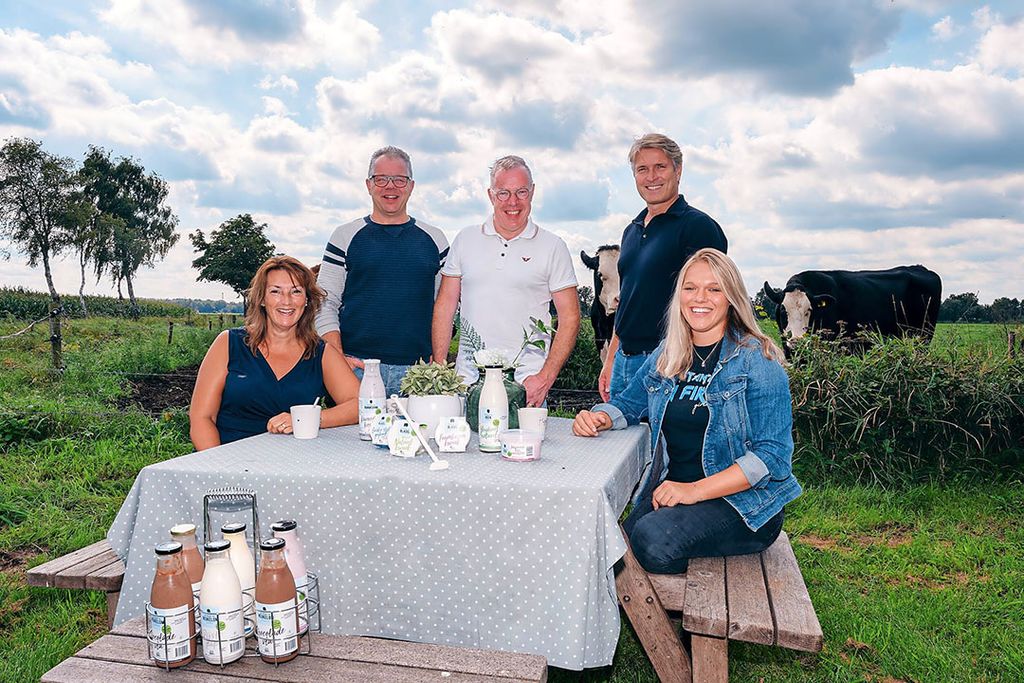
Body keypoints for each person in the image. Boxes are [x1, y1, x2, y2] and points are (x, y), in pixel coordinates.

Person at [573, 249, 801, 574]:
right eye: (690, 287)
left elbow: (773, 457)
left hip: (743, 504)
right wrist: (600, 416)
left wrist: (694, 491)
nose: (700, 298)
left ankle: (711, 587)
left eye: (714, 288)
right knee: (610, 541)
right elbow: (628, 402)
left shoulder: (757, 361)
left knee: (650, 540)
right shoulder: (668, 355)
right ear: (679, 294)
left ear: (732, 296)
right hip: (674, 490)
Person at [431, 155, 580, 407]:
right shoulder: (465, 240)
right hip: (466, 387)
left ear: (532, 192)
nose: (513, 202)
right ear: (490, 195)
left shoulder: (553, 246)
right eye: (503, 193)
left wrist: (544, 378)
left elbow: (571, 317)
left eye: (521, 192)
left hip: (523, 390)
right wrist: (440, 369)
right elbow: (445, 306)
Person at [598, 133, 728, 401]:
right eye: (642, 169)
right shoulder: (630, 232)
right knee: (623, 442)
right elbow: (626, 301)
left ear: (678, 170)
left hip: (670, 361)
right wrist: (611, 361)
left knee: (664, 443)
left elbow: (716, 301)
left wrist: (692, 363)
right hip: (624, 362)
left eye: (660, 167)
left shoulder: (698, 227)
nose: (651, 177)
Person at [315, 146, 449, 397]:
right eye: (381, 179)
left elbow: (447, 306)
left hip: (419, 373)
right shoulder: (344, 236)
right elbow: (324, 302)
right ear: (368, 185)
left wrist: (438, 361)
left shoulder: (436, 240)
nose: (391, 186)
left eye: (399, 179)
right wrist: (337, 359)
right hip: (356, 369)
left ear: (411, 186)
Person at [190, 256, 360, 450]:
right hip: (228, 462)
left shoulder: (321, 353)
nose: (286, 301)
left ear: (307, 300)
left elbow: (359, 405)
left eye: (296, 291)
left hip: (291, 466)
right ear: (262, 298)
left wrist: (308, 419)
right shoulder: (228, 343)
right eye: (276, 292)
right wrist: (218, 470)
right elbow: (202, 418)